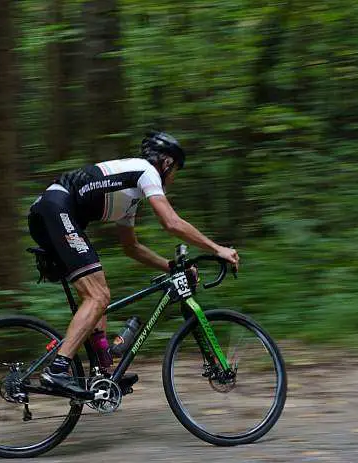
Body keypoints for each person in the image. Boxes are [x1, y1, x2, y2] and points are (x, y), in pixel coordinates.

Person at [27, 130, 240, 398]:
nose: (173, 179)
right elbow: (171, 223)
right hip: (56, 207)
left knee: (97, 295)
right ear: (166, 163)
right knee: (99, 295)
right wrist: (217, 249)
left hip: (53, 212)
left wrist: (171, 266)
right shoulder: (145, 171)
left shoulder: (129, 194)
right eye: (175, 171)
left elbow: (131, 247)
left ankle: (102, 375)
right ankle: (57, 370)